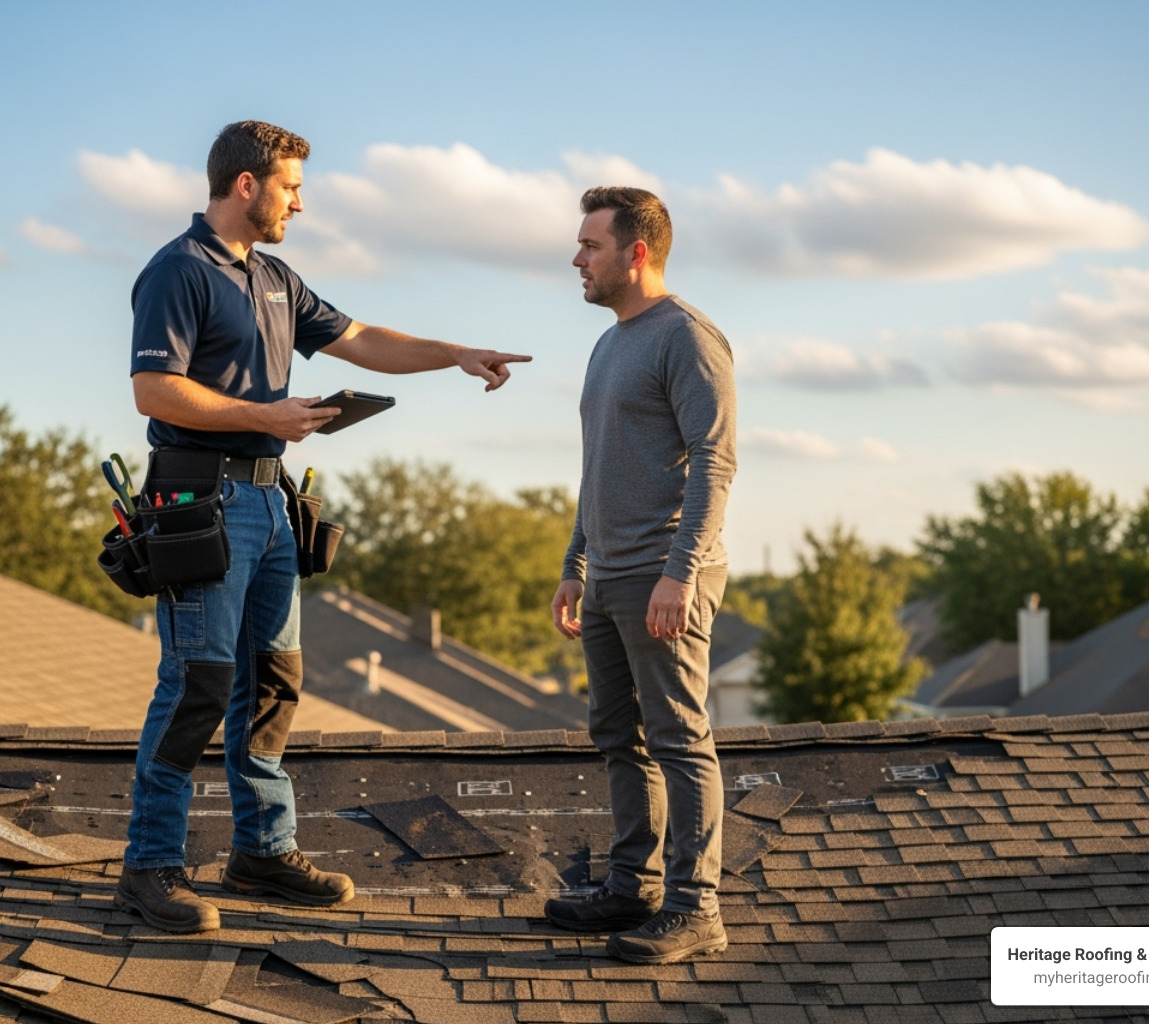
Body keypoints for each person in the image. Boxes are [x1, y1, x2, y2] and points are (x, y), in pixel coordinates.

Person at [117, 120, 530, 933]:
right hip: (201, 504)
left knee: (274, 682)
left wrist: (454, 352)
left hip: (272, 505)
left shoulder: (275, 277)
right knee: (197, 684)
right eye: (292, 187)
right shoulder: (176, 271)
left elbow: (360, 338)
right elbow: (154, 392)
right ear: (247, 185)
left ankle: (262, 851)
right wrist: (262, 411)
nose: (300, 202)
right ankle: (149, 867)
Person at [544, 187, 737, 964]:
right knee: (619, 736)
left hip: (665, 575)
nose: (576, 259)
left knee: (680, 739)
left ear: (637, 252)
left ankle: (697, 910)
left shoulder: (687, 338)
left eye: (590, 246)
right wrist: (574, 564)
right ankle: (634, 887)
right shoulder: (609, 343)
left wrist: (678, 574)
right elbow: (599, 469)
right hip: (609, 575)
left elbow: (715, 466)